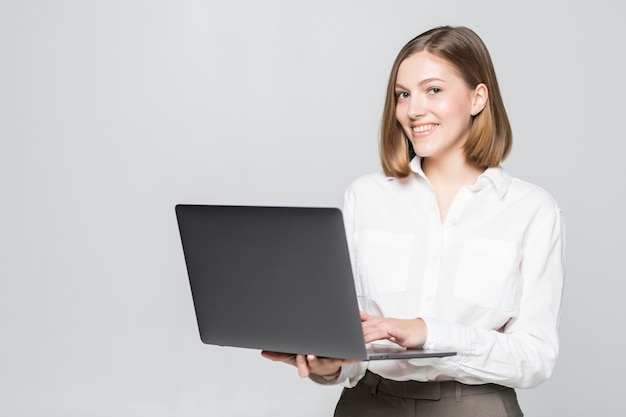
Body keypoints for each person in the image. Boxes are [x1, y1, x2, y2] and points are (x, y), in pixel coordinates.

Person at [262, 25, 565, 417]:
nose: (413, 109)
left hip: (475, 407)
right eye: (402, 95)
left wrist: (428, 332)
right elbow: (354, 338)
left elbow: (536, 356)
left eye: (433, 90)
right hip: (367, 404)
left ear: (478, 98)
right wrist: (329, 365)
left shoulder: (532, 209)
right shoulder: (365, 197)